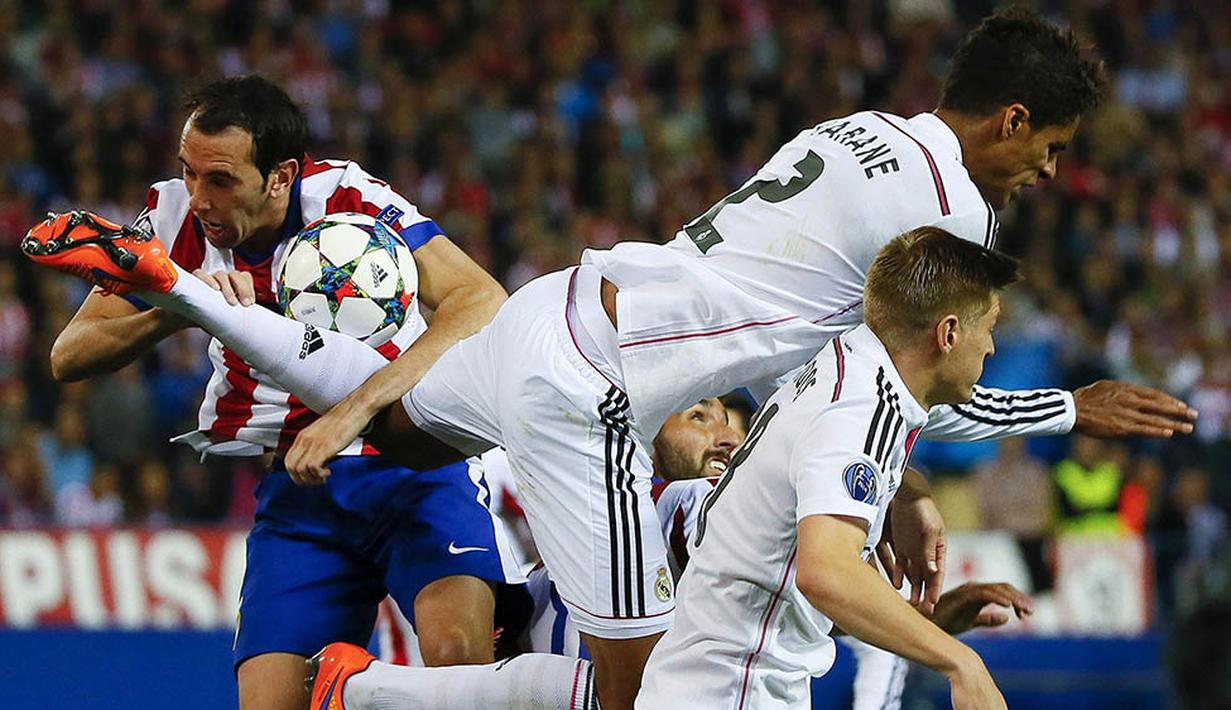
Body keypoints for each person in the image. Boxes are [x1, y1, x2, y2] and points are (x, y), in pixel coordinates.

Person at [22, 10, 1197, 709]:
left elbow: (857, 381)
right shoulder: (949, 223)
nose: (1043, 173)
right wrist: (1063, 407)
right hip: (592, 394)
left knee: (391, 421)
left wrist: (900, 497)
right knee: (639, 696)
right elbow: (920, 382)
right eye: (1045, 148)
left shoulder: (863, 133)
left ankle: (178, 289)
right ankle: (362, 690)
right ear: (1006, 122)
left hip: (557, 302)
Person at [26, 76, 524, 710]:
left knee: (459, 663)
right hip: (299, 489)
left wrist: (355, 409)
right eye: (189, 172)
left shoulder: (350, 198)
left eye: (222, 180)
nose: (200, 198)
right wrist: (185, 304)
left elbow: (480, 298)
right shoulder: (174, 221)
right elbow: (68, 356)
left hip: (411, 464)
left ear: (281, 176)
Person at [637, 226, 1027, 708]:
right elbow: (824, 573)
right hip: (732, 692)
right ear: (948, 334)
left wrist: (929, 617)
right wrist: (960, 662)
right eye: (988, 328)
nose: (991, 348)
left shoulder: (844, 375)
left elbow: (782, 584)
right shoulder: (861, 409)